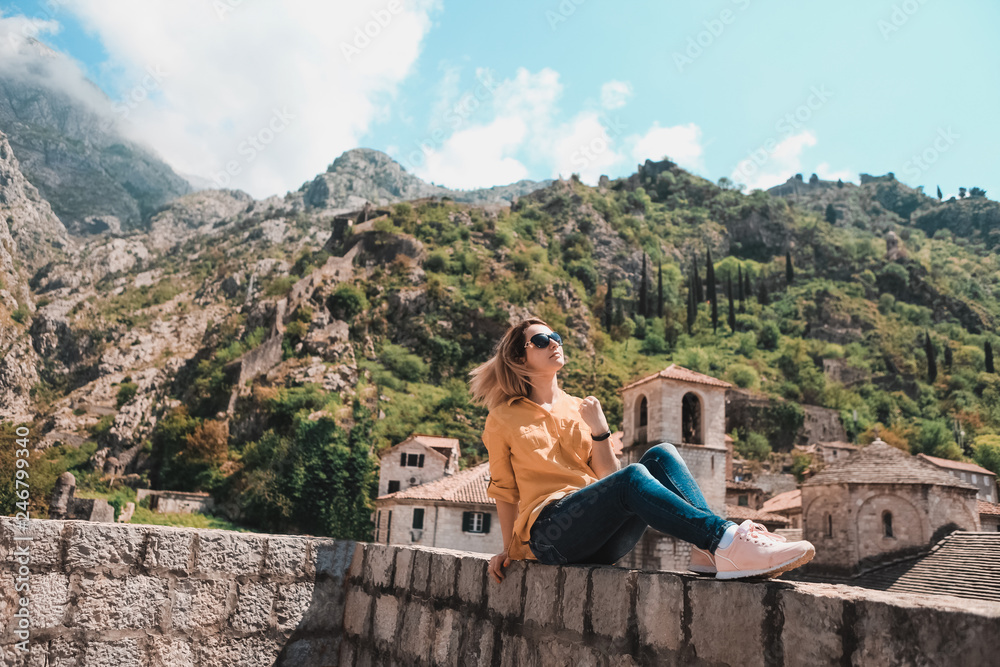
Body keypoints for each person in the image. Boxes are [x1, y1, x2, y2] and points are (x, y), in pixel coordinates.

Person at [467, 317, 815, 584]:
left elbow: (607, 477)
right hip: (550, 534)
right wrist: (509, 549)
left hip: (597, 530)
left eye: (556, 337)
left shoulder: (579, 408)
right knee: (633, 476)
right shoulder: (502, 417)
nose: (553, 343)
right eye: (541, 340)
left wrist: (601, 431)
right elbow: (504, 490)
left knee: (661, 453)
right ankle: (725, 540)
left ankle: (708, 551)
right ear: (519, 356)